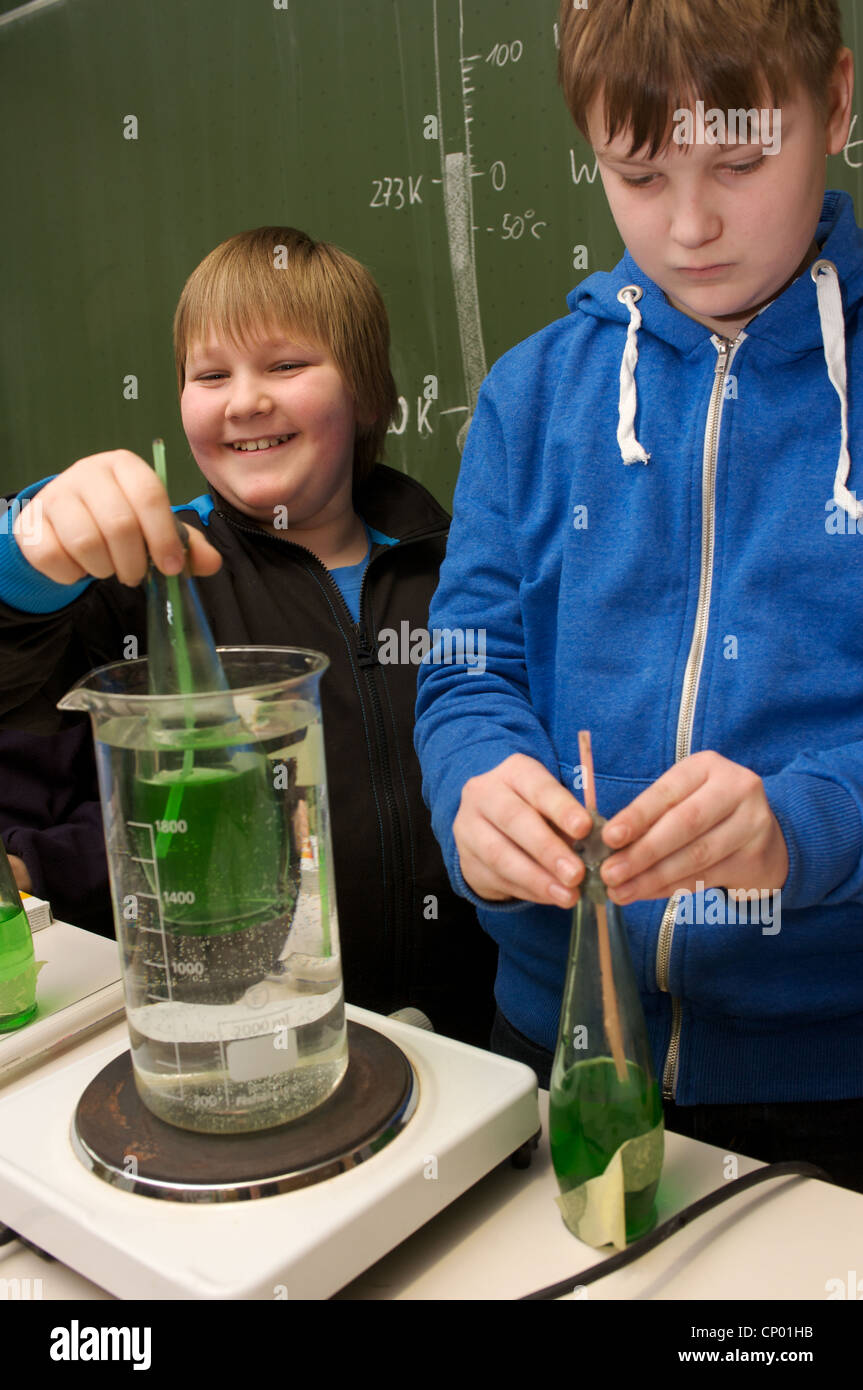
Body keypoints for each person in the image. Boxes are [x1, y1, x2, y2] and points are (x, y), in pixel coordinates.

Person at [414, 0, 863, 1187]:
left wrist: (800, 825)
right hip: (550, 1040)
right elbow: (466, 666)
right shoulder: (528, 396)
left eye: (740, 161)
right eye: (637, 171)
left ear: (837, 101)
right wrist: (473, 786)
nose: (690, 223)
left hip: (828, 1072)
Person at [0, 225, 497, 1046]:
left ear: (370, 396)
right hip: (248, 1042)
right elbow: (16, 685)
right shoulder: (142, 578)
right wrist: (29, 554)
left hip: (481, 1042)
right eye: (209, 374)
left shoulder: (460, 567)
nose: (243, 400)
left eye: (286, 365)